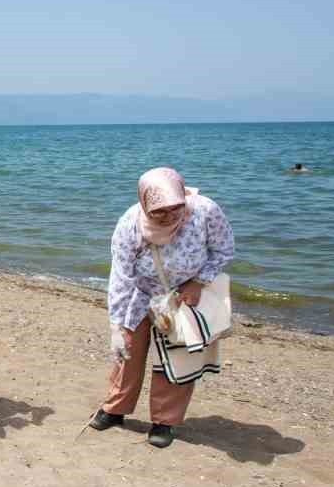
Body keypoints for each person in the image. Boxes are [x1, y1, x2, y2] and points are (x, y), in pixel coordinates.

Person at [90, 167, 236, 448]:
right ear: (145, 204)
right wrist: (115, 325)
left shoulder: (205, 211)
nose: (169, 216)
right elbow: (121, 276)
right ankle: (114, 409)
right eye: (159, 211)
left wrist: (198, 282)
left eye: (175, 207)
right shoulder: (129, 225)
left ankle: (164, 421)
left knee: (177, 358)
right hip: (141, 294)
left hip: (183, 296)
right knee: (127, 353)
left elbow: (224, 249)